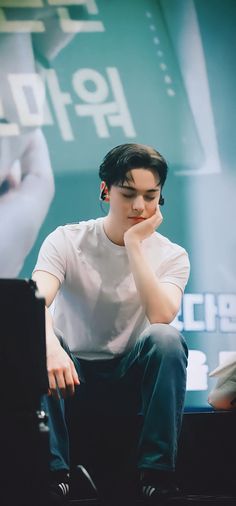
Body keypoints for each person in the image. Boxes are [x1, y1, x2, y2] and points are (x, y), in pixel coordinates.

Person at [32, 143, 190, 504]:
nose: (139, 206)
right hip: (71, 375)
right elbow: (34, 300)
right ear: (106, 190)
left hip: (129, 379)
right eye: (128, 193)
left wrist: (134, 244)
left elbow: (161, 317)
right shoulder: (67, 240)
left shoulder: (171, 255)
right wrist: (51, 348)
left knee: (165, 339)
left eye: (151, 196)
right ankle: (56, 477)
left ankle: (157, 475)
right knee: (40, 335)